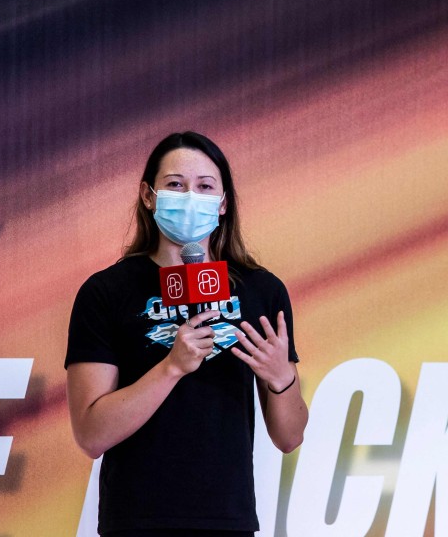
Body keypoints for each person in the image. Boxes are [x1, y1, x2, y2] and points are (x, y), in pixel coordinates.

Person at [65, 131, 308, 536]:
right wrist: (172, 367)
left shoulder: (261, 290)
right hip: (136, 522)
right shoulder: (105, 292)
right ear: (148, 195)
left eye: (205, 187)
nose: (191, 197)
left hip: (228, 521)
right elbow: (91, 435)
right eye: (175, 185)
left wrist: (282, 378)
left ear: (224, 201)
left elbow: (289, 437)